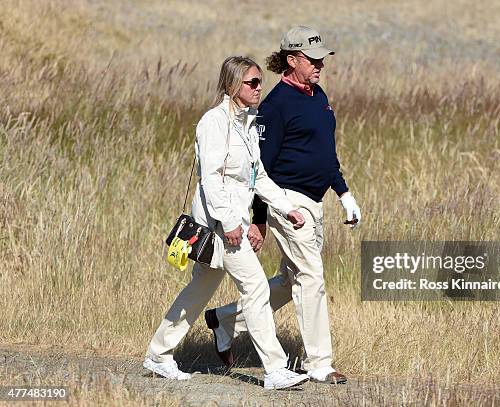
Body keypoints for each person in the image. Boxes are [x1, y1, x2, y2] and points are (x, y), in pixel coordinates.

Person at [205, 27, 361, 385]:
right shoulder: (275, 106)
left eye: (322, 58)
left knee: (292, 280)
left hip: (315, 199)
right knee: (312, 277)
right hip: (287, 200)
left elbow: (325, 153)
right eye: (313, 59)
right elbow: (261, 167)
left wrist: (344, 192)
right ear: (292, 60)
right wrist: (259, 218)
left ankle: (226, 320)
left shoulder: (318, 96)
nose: (320, 64)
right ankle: (319, 362)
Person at [143, 56, 311, 390]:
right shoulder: (213, 122)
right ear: (233, 85)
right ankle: (275, 369)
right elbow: (211, 181)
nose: (259, 88)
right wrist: (233, 222)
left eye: (260, 81)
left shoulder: (247, 124)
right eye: (252, 82)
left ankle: (158, 355)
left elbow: (257, 177)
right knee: (257, 287)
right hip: (219, 227)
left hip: (232, 223)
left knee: (199, 290)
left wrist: (286, 207)